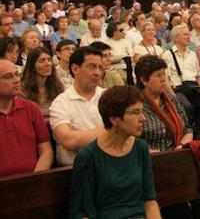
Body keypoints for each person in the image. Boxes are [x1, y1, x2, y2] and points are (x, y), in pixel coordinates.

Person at [69, 86, 161, 219]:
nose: (143, 118)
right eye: (135, 112)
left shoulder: (140, 148)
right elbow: (81, 213)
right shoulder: (88, 156)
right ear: (114, 119)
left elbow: (149, 200)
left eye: (142, 111)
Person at [50, 46, 107, 166]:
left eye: (100, 68)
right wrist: (111, 130)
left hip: (108, 165)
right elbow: (69, 141)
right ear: (75, 68)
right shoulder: (61, 102)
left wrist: (81, 137)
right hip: (73, 170)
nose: (97, 73)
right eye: (91, 67)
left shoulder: (109, 96)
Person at [20, 47, 64, 125]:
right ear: (33, 66)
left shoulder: (58, 86)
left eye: (49, 60)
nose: (48, 64)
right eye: (42, 61)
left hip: (56, 126)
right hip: (33, 127)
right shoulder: (23, 89)